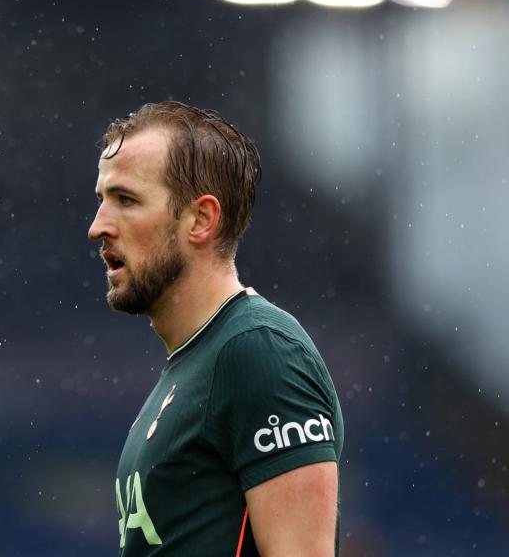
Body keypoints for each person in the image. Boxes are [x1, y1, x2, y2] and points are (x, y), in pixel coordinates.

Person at [88, 101, 343, 556]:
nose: (98, 227)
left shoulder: (259, 352)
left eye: (126, 200)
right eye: (102, 200)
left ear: (201, 220)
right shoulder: (191, 366)